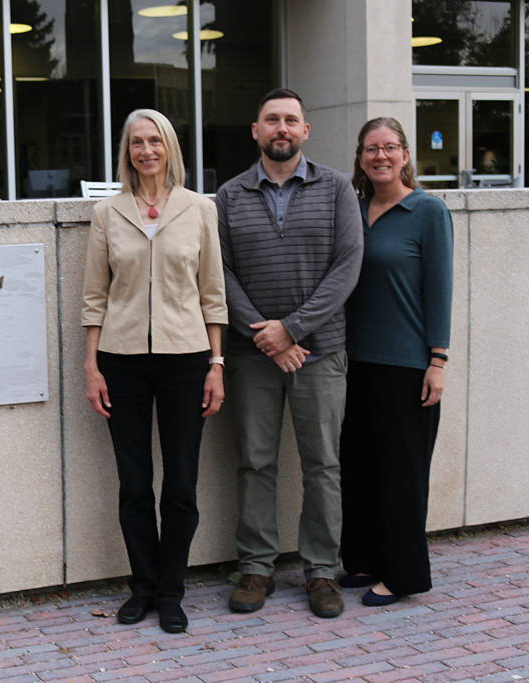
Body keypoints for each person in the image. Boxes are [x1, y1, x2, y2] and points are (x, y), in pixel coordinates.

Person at [216, 88, 362, 618]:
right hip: (252, 356)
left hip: (321, 353)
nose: (281, 128)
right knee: (255, 463)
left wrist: (293, 330)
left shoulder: (339, 189)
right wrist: (266, 336)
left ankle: (321, 571)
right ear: (255, 131)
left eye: (291, 120)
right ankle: (256, 566)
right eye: (271, 119)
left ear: (305, 131)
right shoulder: (229, 196)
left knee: (323, 465)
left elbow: (347, 267)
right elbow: (220, 274)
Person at [82, 109, 227, 633]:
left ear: (169, 147)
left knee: (182, 483)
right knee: (134, 481)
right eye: (137, 142)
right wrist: (92, 365)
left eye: (155, 141)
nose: (146, 150)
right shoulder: (108, 213)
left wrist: (216, 363)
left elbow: (213, 293)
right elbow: (95, 296)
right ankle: (142, 586)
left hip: (186, 361)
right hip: (121, 363)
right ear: (127, 152)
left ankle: (171, 590)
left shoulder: (198, 209)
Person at [338, 117, 453, 607]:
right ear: (360, 158)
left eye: (389, 148)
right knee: (359, 466)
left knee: (403, 474)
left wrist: (438, 361)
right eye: (370, 149)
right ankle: (364, 559)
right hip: (353, 363)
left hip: (407, 366)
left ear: (406, 155)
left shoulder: (427, 210)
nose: (380, 157)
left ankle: (403, 574)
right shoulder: (354, 210)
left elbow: (439, 290)